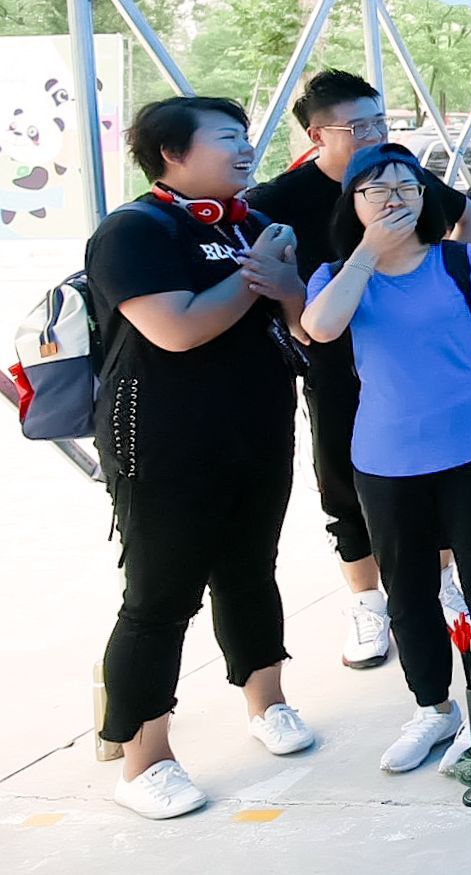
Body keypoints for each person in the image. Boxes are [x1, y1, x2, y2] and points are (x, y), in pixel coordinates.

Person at [87, 97, 314, 820]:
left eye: (245, 135)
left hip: (258, 430)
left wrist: (284, 281)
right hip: (163, 442)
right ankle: (143, 758)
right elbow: (176, 328)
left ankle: (267, 701)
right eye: (226, 137)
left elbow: (301, 323)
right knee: (161, 598)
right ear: (173, 153)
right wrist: (256, 273)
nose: (245, 148)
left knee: (250, 570)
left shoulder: (249, 223)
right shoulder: (134, 230)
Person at [247, 69, 471, 670]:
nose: (375, 136)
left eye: (380, 121)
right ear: (316, 135)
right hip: (332, 361)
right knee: (342, 480)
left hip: (417, 363)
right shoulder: (277, 200)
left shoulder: (401, 176)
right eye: (358, 128)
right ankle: (366, 601)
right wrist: (295, 304)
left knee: (440, 469)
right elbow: (259, 274)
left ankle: (443, 579)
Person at [299, 144, 471, 776]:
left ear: (426, 197)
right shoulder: (337, 274)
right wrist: (368, 253)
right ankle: (433, 706)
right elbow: (321, 328)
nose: (394, 199)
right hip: (386, 455)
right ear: (353, 203)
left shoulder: (461, 261)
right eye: (377, 189)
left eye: (407, 186)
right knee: (408, 590)